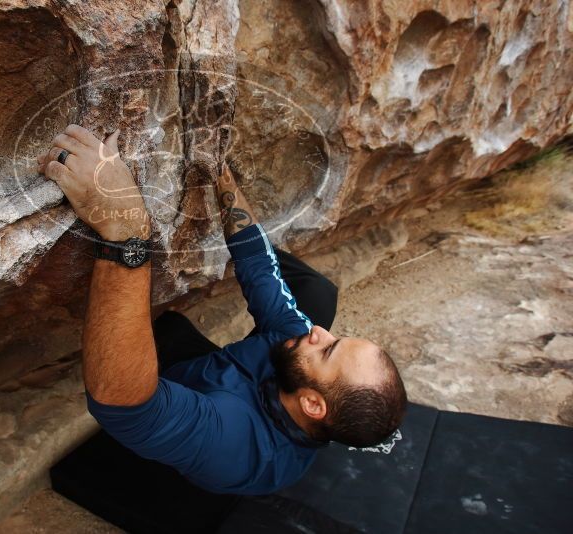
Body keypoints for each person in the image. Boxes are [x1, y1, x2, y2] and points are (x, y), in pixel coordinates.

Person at [39, 124, 407, 496]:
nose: (319, 332)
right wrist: (219, 171)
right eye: (336, 337)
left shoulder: (233, 443)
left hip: (186, 409)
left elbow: (120, 403)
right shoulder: (298, 347)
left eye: (328, 349)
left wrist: (126, 228)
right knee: (318, 295)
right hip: (221, 380)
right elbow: (259, 266)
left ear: (312, 403)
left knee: (147, 367)